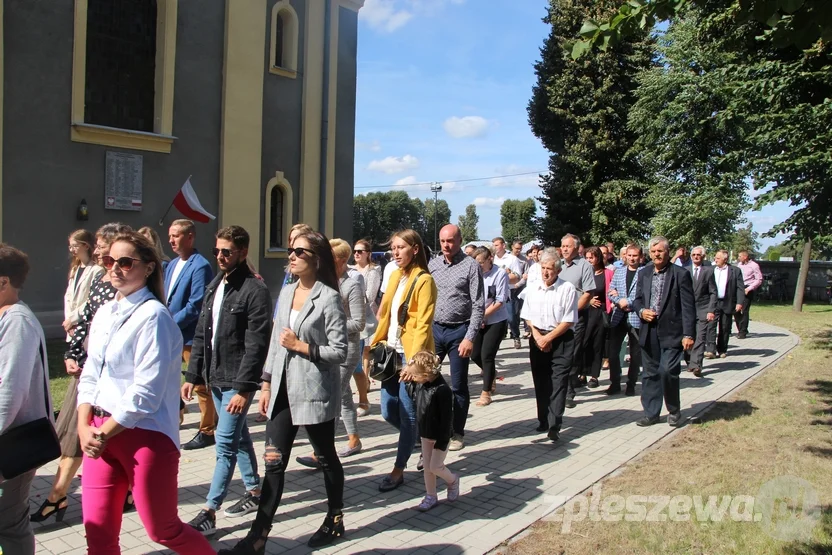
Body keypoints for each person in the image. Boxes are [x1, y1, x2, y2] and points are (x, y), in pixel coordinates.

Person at [76, 232, 215, 554]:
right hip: (99, 432)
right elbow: (91, 373)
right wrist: (85, 426)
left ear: (149, 268)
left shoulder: (154, 316)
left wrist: (101, 433)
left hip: (145, 435)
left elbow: (146, 392)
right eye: (109, 261)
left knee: (162, 530)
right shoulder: (105, 313)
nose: (115, 268)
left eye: (125, 262)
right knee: (98, 532)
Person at [220, 231, 348, 554]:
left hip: (313, 391)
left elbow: (340, 351)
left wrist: (301, 346)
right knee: (274, 463)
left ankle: (334, 517)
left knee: (326, 456)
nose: (291, 256)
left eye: (299, 252)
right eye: (290, 250)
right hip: (281, 392)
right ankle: (259, 536)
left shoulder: (329, 297)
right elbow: (276, 344)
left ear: (315, 259)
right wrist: (265, 383)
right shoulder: (288, 290)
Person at [36, 224, 131, 523]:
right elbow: (86, 321)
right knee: (72, 432)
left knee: (94, 437)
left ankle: (60, 494)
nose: (99, 246)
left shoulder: (125, 285)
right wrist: (71, 353)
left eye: (104, 243)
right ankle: (59, 493)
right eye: (100, 244)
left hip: (110, 375)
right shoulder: (100, 282)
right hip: (88, 371)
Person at [183, 226, 272, 535]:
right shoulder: (216, 284)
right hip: (215, 377)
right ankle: (255, 491)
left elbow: (257, 343)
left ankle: (210, 509)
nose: (220, 257)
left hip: (237, 381)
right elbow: (201, 332)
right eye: (217, 251)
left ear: (243, 252)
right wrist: (193, 375)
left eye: (227, 252)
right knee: (239, 436)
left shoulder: (254, 290)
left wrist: (246, 389)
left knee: (224, 445)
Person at [371, 229, 437, 492]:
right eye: (393, 248)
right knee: (388, 410)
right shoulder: (396, 275)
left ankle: (398, 469)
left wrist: (414, 362)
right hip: (390, 354)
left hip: (410, 356)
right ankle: (423, 440)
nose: (395, 253)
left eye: (401, 248)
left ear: (415, 249)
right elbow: (384, 315)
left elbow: (423, 324)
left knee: (408, 415)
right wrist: (374, 344)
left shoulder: (424, 280)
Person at [0, 244, 51, 555]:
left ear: (3, 282)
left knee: (9, 522)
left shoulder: (17, 321)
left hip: (12, 443)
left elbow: (10, 391)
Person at [297, 238, 365, 468]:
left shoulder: (351, 285)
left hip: (347, 350)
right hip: (327, 348)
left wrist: (330, 323)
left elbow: (358, 323)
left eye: (328, 257)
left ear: (342, 260)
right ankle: (354, 439)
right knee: (344, 396)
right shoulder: (322, 283)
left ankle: (323, 452)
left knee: (334, 396)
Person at [428, 225, 484, 451]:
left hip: (459, 331)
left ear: (460, 240)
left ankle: (457, 432)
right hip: (435, 330)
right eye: (442, 241)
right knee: (427, 379)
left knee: (459, 384)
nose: (446, 246)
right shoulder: (433, 264)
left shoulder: (470, 266)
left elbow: (479, 304)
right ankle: (431, 428)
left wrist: (470, 337)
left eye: (450, 241)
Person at [632, 236, 696, 427]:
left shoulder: (680, 274)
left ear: (668, 252)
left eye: (660, 251)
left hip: (672, 333)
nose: (656, 254)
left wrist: (688, 334)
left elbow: (688, 306)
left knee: (668, 371)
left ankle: (674, 410)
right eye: (653, 251)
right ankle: (651, 413)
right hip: (648, 331)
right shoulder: (644, 273)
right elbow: (637, 300)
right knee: (650, 374)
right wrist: (642, 311)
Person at [165, 219, 216, 450]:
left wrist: (169, 323)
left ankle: (207, 430)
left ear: (190, 237)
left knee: (199, 383)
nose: (171, 240)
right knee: (169, 379)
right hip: (169, 334)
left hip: (189, 336)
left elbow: (196, 305)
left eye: (176, 235)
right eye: (170, 235)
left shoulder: (200, 265)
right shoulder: (172, 264)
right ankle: (174, 418)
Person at [520, 248, 578, 441]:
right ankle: (543, 420)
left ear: (558, 271)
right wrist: (537, 336)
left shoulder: (567, 288)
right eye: (543, 268)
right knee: (540, 381)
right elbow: (527, 316)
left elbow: (568, 320)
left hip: (560, 339)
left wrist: (549, 338)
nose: (546, 272)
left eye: (550, 269)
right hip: (537, 338)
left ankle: (554, 424)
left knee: (558, 382)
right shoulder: (533, 288)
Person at [405, 351, 460, 512]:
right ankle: (431, 496)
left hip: (440, 436)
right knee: (428, 468)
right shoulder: (420, 383)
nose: (413, 378)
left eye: (415, 376)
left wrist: (443, 441)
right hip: (425, 432)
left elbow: (447, 419)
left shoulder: (443, 390)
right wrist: (407, 382)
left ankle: (453, 480)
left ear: (425, 374)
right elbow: (414, 396)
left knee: (436, 466)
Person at [557, 234, 595, 407]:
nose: (564, 249)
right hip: (557, 316)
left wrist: (572, 312)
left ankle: (569, 391)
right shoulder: (558, 265)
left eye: (568, 246)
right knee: (559, 352)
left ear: (576, 247)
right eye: (563, 246)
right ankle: (561, 388)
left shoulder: (584, 266)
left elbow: (588, 293)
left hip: (576, 316)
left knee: (572, 352)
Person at [471, 247, 509, 406]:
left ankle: (486, 392)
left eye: (481, 263)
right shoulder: (473, 274)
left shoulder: (500, 274)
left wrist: (482, 315)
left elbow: (500, 301)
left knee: (487, 355)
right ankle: (491, 373)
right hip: (477, 320)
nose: (478, 266)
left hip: (496, 320)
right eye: (476, 263)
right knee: (474, 355)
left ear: (489, 259)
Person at [607, 243, 643, 396]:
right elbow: (610, 292)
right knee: (613, 353)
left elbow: (642, 295)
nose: (632, 258)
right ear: (625, 256)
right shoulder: (619, 272)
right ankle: (615, 383)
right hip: (619, 317)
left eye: (635, 256)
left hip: (636, 317)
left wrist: (626, 301)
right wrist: (618, 300)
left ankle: (631, 384)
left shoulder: (644, 273)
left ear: (640, 257)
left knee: (635, 354)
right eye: (629, 255)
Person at [351, 238, 381, 416]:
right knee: (358, 356)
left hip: (365, 317)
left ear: (368, 253)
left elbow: (370, 296)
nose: (356, 254)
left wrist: (351, 302)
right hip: (351, 317)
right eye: (355, 251)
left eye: (360, 251)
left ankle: (364, 390)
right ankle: (364, 385)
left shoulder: (373, 271)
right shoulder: (350, 270)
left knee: (365, 352)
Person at [581, 247, 613, 389]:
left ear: (598, 258)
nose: (589, 260)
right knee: (583, 343)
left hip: (600, 314)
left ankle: (594, 376)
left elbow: (612, 293)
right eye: (587, 258)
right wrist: (588, 301)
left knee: (597, 344)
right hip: (586, 313)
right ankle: (582, 373)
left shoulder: (608, 273)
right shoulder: (584, 273)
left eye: (592, 257)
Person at [62, 229, 103, 338]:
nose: (72, 250)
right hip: (71, 325)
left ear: (86, 246)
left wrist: (73, 319)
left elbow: (91, 299)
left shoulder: (97, 270)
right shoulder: (74, 269)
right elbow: (68, 296)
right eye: (70, 247)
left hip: (84, 324)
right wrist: (68, 321)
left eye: (75, 246)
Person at [686, 246, 717, 377]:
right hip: (688, 309)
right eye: (693, 255)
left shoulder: (708, 271)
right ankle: (689, 362)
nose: (696, 257)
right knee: (689, 335)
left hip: (703, 309)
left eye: (698, 255)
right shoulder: (685, 271)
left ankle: (697, 364)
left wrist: (711, 310)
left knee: (700, 337)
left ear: (703, 256)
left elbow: (713, 292)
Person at [711, 250, 745, 358]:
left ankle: (722, 349)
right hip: (713, 302)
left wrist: (739, 302)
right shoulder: (711, 270)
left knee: (725, 327)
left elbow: (740, 288)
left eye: (718, 258)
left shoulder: (735, 271)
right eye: (715, 258)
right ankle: (710, 349)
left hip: (727, 302)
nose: (715, 260)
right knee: (711, 326)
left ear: (725, 259)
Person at [492, 237, 523, 349]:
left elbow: (518, 276)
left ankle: (516, 336)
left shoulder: (512, 259)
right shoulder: (492, 259)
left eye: (496, 245)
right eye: (493, 245)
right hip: (494, 293)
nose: (494, 247)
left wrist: (503, 277)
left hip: (508, 292)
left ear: (503, 245)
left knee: (511, 317)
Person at [735, 250, 762, 339]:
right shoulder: (739, 265)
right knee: (736, 310)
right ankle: (741, 328)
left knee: (744, 310)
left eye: (740, 256)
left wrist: (749, 288)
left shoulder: (754, 265)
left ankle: (742, 332)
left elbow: (759, 279)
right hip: (739, 287)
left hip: (748, 288)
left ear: (745, 257)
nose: (738, 258)